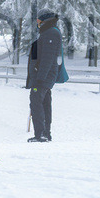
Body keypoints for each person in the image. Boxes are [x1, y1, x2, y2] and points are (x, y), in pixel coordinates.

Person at [25, 10, 63, 143]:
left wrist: (40, 77)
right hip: (43, 77)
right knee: (44, 104)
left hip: (43, 78)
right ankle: (45, 134)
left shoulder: (51, 33)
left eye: (39, 20)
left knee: (37, 104)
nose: (37, 23)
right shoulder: (47, 33)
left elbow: (47, 58)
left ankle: (40, 134)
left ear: (45, 20)